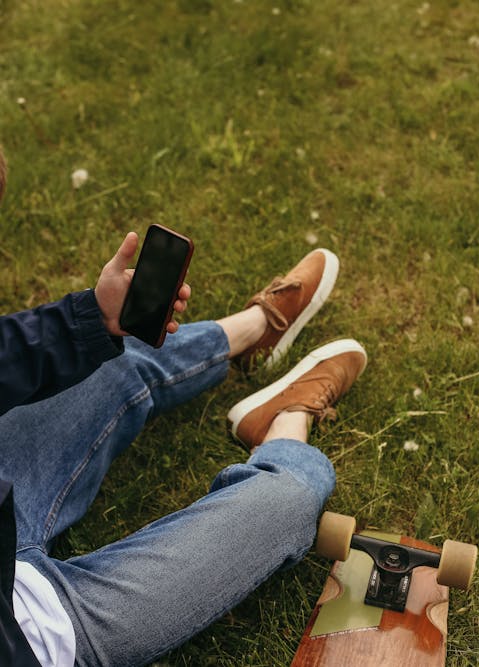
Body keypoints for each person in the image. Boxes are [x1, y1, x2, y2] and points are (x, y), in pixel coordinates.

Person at [0, 145, 367, 667]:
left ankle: (252, 333)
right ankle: (287, 418)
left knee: (114, 357)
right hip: (40, 631)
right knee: (289, 500)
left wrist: (88, 321)